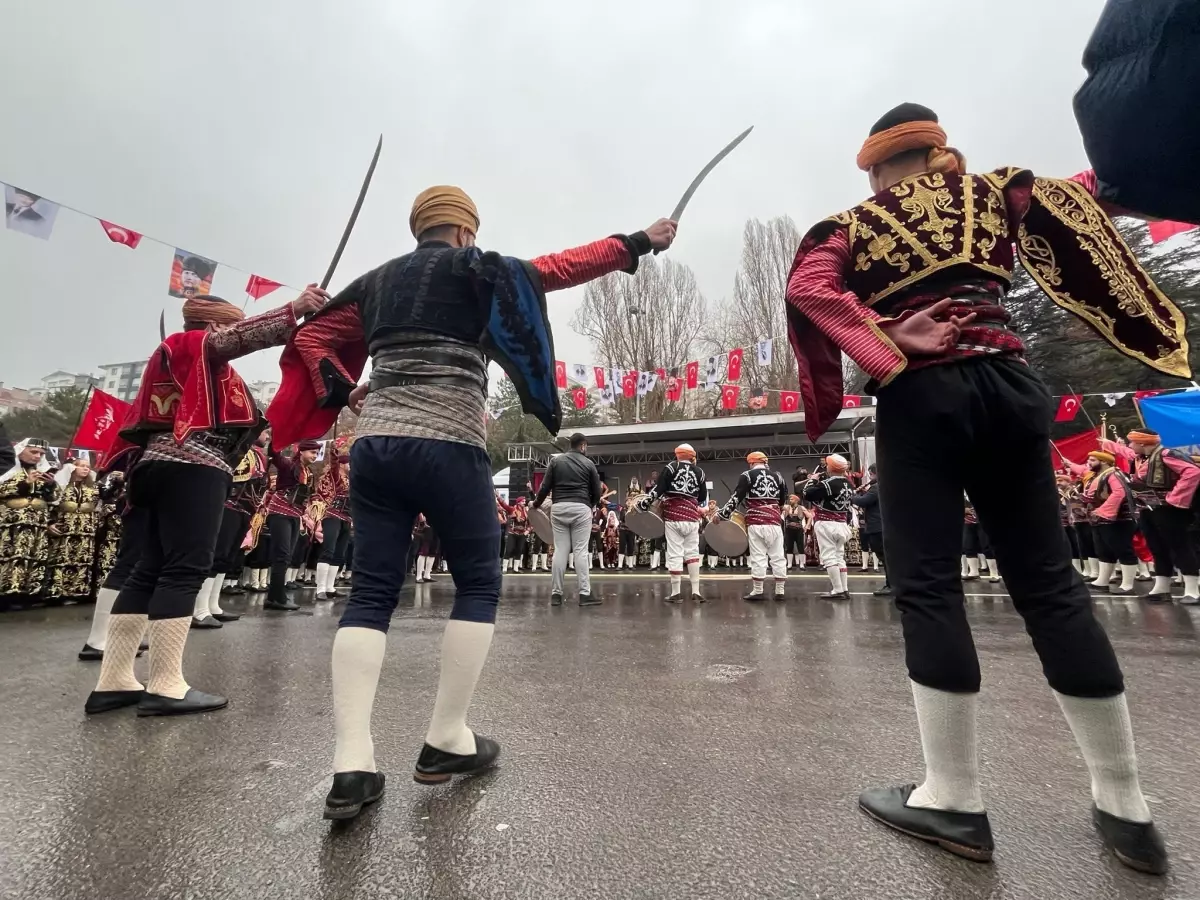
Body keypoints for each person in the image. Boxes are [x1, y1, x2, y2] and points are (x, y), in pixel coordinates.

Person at [783, 102, 1183, 872]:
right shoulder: (998, 191)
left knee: (928, 586)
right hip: (1008, 384)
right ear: (939, 149)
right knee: (1051, 586)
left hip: (922, 393)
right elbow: (1093, 193)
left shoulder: (851, 225)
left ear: (872, 166)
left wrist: (881, 342)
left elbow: (811, 290)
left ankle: (954, 798)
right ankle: (1127, 810)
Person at [266, 183, 677, 819]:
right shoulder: (479, 268)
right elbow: (558, 268)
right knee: (478, 583)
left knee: (371, 591)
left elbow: (310, 339)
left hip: (373, 445)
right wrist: (638, 243)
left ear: (419, 229)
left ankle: (351, 764)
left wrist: (345, 391)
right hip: (448, 446)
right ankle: (445, 739)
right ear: (464, 230)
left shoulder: (376, 282)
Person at [84, 288, 327, 717]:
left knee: (149, 569)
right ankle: (166, 684)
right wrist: (294, 311)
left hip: (162, 467)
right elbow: (236, 340)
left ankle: (115, 680)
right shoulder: (191, 345)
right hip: (192, 468)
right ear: (214, 325)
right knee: (183, 569)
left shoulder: (200, 366)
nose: (234, 332)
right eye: (229, 324)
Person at [1101, 430, 1200, 604]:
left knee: (1180, 547)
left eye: (1132, 442)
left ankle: (1192, 590)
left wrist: (1175, 497)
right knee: (1157, 548)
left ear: (1143, 443)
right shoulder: (1141, 457)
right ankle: (1162, 588)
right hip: (1148, 509)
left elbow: (1193, 472)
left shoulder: (1167, 454)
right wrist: (1109, 444)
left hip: (1170, 510)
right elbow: (1126, 452)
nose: (1129, 445)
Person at [192, 435, 269, 627]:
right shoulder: (237, 449)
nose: (267, 436)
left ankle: (213, 605)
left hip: (245, 510)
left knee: (226, 559)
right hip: (229, 506)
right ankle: (199, 610)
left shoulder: (259, 456)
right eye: (265, 431)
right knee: (216, 555)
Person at [532, 432, 601, 607]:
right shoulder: (589, 464)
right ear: (583, 446)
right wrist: (589, 505)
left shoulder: (555, 461)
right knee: (580, 551)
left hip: (559, 507)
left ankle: (556, 594)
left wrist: (536, 504)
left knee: (560, 550)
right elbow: (597, 492)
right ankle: (585, 594)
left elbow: (545, 487)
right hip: (581, 508)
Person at [637, 443, 707, 603]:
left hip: (673, 517)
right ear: (692, 456)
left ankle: (676, 593)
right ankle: (696, 591)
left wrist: (643, 504)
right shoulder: (700, 472)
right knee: (692, 553)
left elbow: (658, 489)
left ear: (677, 454)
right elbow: (702, 497)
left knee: (675, 553)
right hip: (691, 518)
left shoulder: (671, 467)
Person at [1066, 451, 1139, 596]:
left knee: (1123, 550)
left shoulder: (1114, 474)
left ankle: (1127, 585)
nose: (1089, 463)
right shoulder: (1096, 476)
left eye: (1092, 460)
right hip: (1099, 520)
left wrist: (1103, 511)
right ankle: (1102, 581)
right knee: (1103, 550)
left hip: (1118, 520)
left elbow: (1119, 493)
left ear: (1104, 461)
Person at [718, 451, 788, 601]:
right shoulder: (778, 477)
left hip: (756, 522)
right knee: (778, 556)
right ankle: (780, 591)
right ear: (765, 462)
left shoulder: (747, 475)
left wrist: (722, 515)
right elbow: (782, 500)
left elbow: (736, 497)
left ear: (751, 463)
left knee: (758, 556)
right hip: (775, 522)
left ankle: (758, 591)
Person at [263, 440, 321, 611]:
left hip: (296, 515)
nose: (314, 456)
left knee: (286, 556)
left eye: (316, 453)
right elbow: (274, 454)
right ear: (301, 452)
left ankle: (275, 596)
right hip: (280, 512)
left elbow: (309, 494)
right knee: (281, 555)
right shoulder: (289, 465)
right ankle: (277, 598)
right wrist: (281, 436)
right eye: (312, 452)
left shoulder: (309, 472)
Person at [0, 438, 57, 605]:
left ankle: (27, 595)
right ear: (20, 450)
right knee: (9, 557)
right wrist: (25, 483)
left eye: (41, 454)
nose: (38, 457)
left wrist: (50, 485)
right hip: (9, 525)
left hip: (36, 526)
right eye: (34, 452)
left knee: (32, 558)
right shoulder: (6, 469)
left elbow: (54, 500)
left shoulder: (43, 473)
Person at [44, 457, 101, 605]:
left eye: (88, 466)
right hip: (65, 528)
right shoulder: (62, 485)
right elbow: (50, 504)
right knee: (61, 558)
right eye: (81, 466)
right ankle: (57, 592)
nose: (85, 469)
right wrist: (49, 523)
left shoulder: (93, 487)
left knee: (82, 560)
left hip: (86, 530)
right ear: (72, 467)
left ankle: (78, 592)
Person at [804, 455, 854, 600]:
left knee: (829, 557)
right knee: (839, 556)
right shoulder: (849, 483)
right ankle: (844, 589)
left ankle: (837, 590)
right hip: (841, 524)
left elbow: (807, 494)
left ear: (830, 468)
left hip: (827, 524)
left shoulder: (828, 483)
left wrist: (813, 479)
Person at [310, 438, 353, 599]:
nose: (351, 466)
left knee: (339, 553)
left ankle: (330, 587)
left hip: (346, 518)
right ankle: (320, 589)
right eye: (349, 463)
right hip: (332, 515)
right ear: (343, 464)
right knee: (328, 550)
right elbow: (334, 463)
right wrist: (334, 451)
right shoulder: (335, 475)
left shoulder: (351, 479)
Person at [852, 467, 890, 596]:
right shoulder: (885, 486)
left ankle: (890, 585)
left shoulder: (876, 487)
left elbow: (863, 501)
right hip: (883, 525)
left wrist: (853, 495)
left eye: (871, 474)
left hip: (876, 526)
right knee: (886, 557)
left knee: (884, 557)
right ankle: (892, 584)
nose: (870, 477)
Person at [497, 494, 530, 572]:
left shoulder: (526, 512)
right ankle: (504, 568)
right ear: (518, 502)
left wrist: (527, 530)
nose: (524, 502)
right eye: (523, 501)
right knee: (509, 550)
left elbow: (530, 523)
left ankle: (515, 568)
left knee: (519, 550)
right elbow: (504, 505)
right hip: (513, 533)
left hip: (522, 534)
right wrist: (498, 497)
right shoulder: (512, 509)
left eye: (524, 501)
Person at [782, 495, 807, 570]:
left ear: (796, 500)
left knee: (800, 547)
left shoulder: (801, 508)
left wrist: (807, 526)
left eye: (792, 499)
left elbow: (810, 516)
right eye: (789, 499)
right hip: (789, 530)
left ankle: (802, 564)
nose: (790, 500)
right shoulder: (787, 507)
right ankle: (789, 564)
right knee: (789, 547)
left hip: (799, 530)